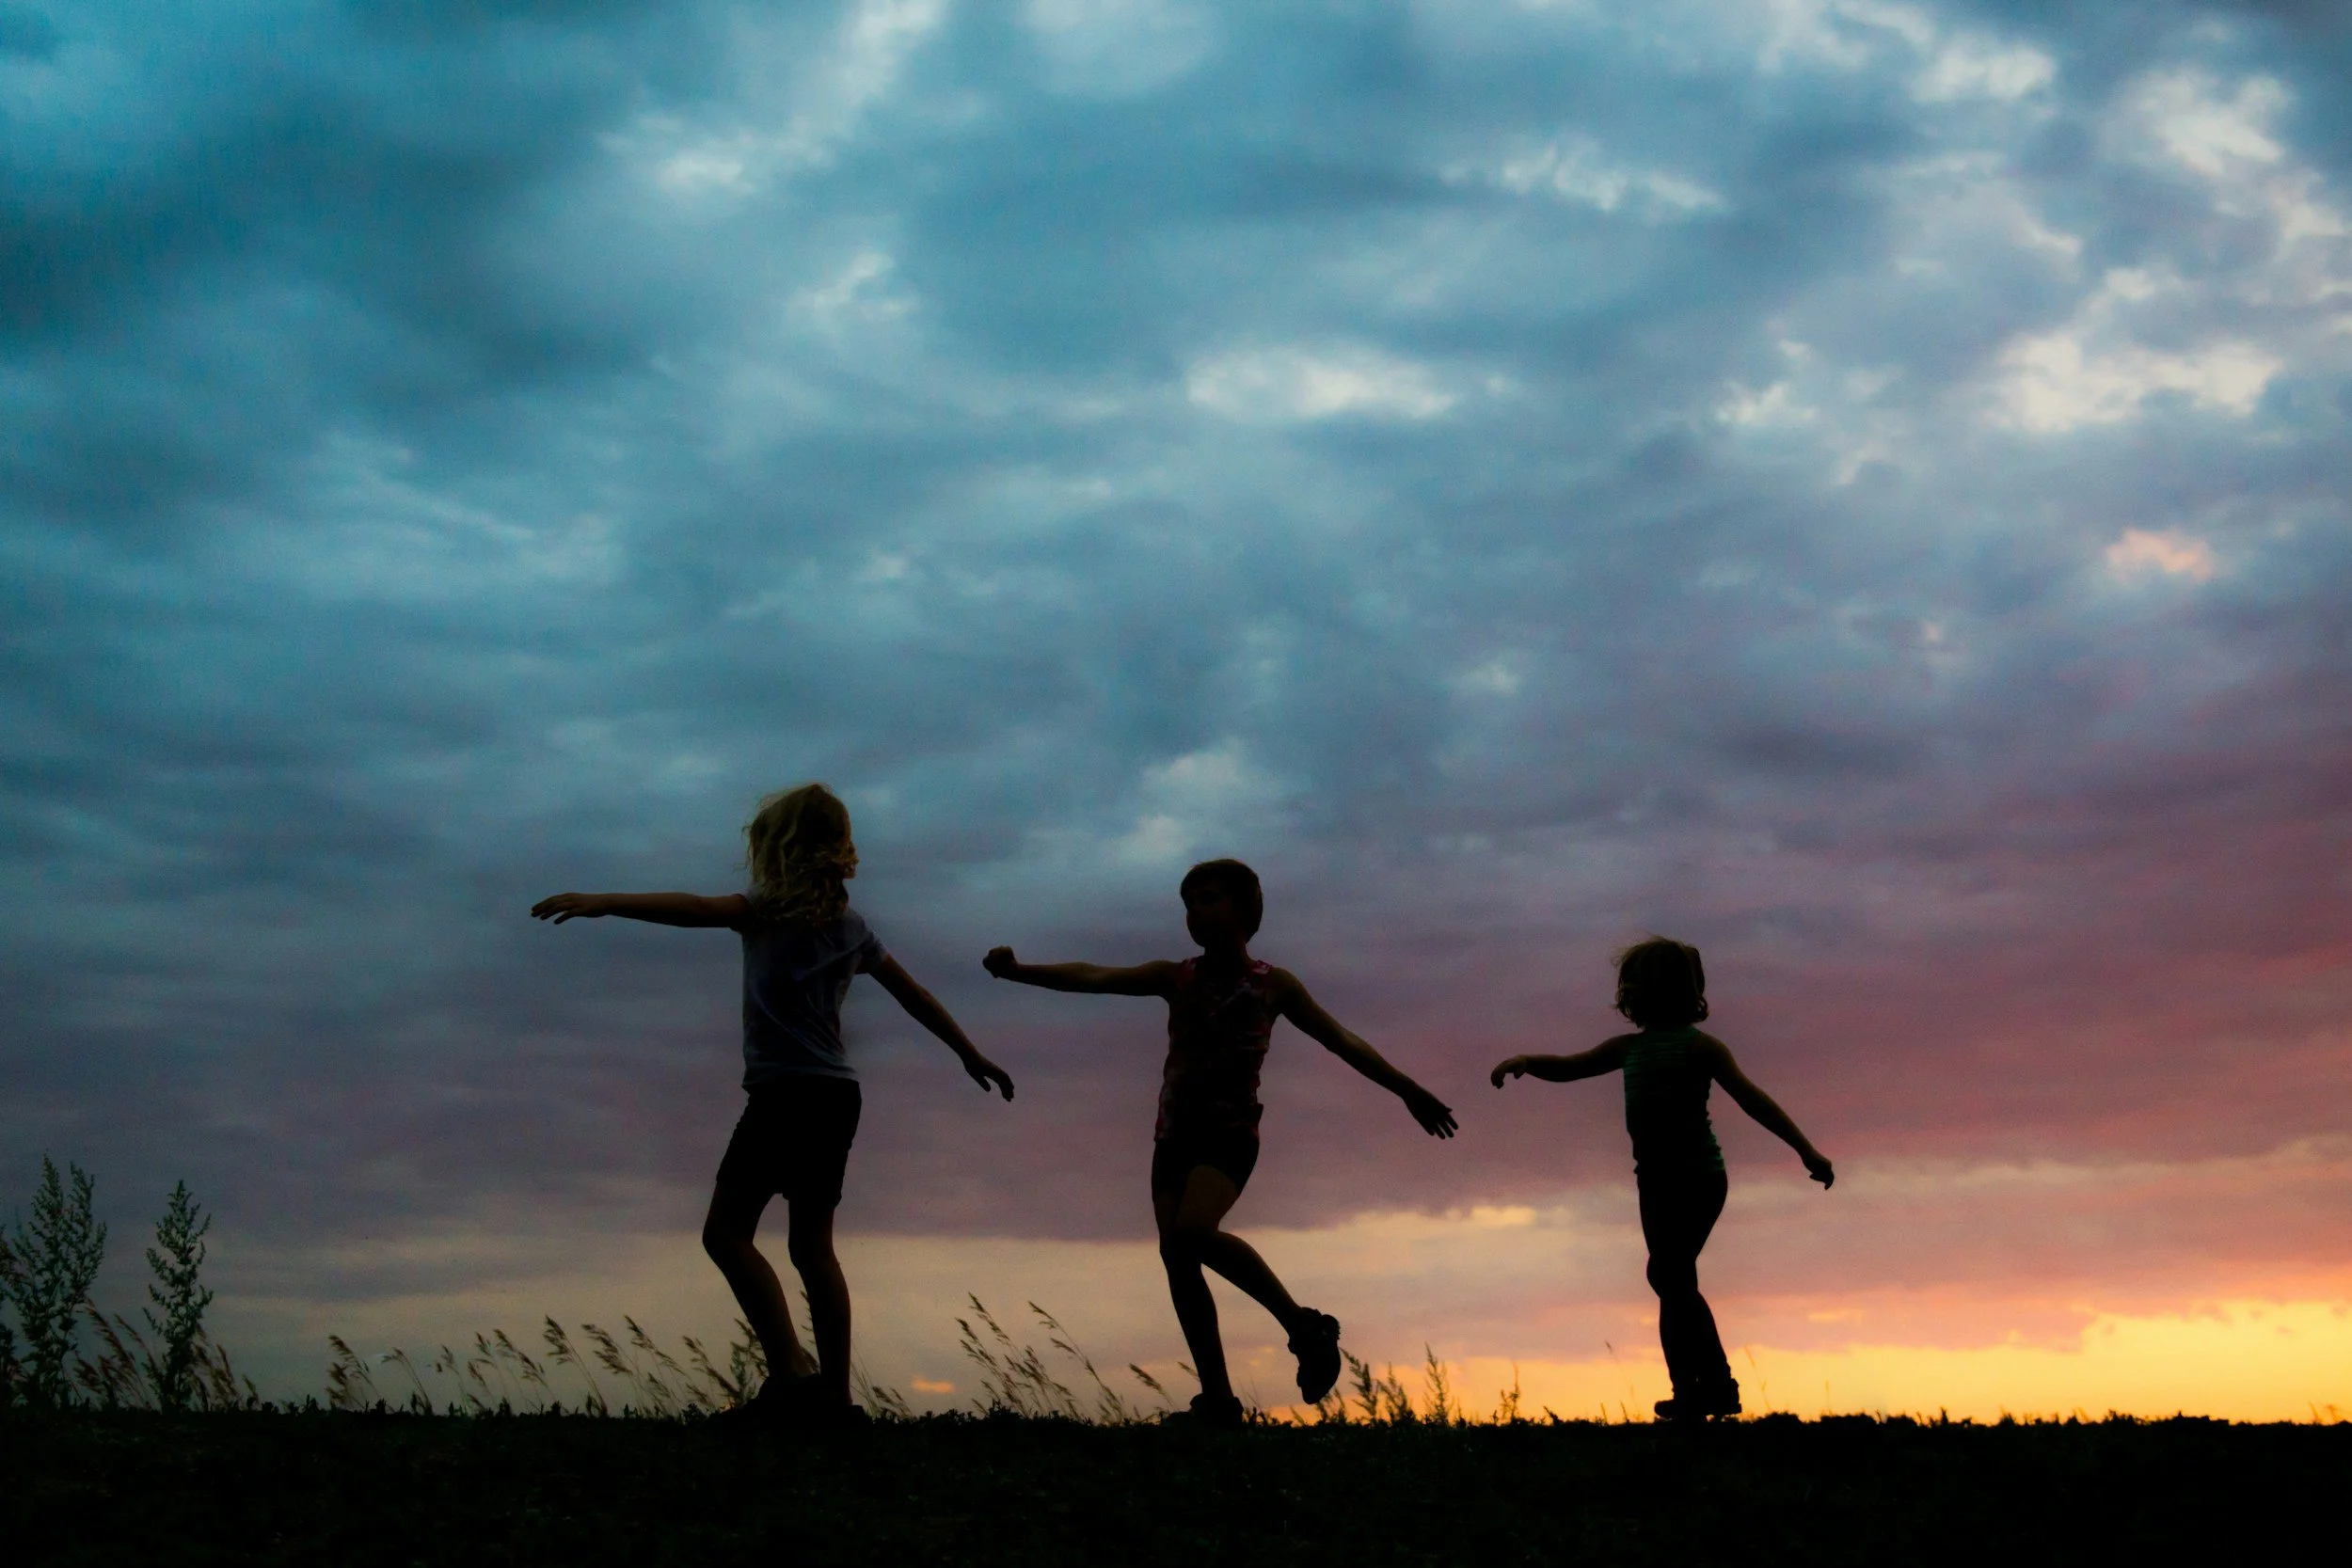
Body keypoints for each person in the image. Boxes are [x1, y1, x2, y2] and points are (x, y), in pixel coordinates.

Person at [532, 783, 1013, 1426]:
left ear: (775, 849)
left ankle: (792, 1371)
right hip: (836, 1095)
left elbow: (689, 907)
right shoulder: (851, 928)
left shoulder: (760, 911)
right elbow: (915, 995)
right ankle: (834, 1397)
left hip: (786, 1093)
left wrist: (605, 902)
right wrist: (968, 1052)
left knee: (726, 1233)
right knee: (812, 1249)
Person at [984, 859, 1455, 1427]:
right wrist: (1019, 972)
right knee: (1178, 1258)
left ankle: (1304, 1325)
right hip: (1173, 1137)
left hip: (1230, 1136)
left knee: (1192, 1232)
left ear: (1247, 909)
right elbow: (1092, 976)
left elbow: (1341, 1040)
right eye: (1189, 903)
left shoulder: (1272, 985)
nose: (1196, 913)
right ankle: (1218, 1402)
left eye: (1210, 899)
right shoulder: (1174, 977)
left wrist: (1407, 1089)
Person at [1490, 937, 1832, 1422]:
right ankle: (1696, 1390)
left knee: (1667, 1275)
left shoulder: (1702, 1048)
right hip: (1653, 1183)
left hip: (1698, 1179)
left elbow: (1753, 1100)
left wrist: (1806, 1151)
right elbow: (1571, 1067)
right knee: (1673, 1280)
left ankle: (1711, 1383)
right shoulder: (1628, 1049)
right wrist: (1526, 1062)